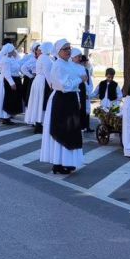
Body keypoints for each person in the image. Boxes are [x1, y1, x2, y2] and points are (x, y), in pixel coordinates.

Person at [40, 39, 85, 174]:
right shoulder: (58, 66)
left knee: (71, 131)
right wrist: (79, 80)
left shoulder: (69, 64)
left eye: (69, 48)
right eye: (65, 49)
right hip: (61, 100)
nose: (68, 51)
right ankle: (58, 163)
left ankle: (68, 162)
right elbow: (64, 86)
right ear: (58, 52)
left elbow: (74, 80)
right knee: (62, 130)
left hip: (70, 99)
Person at [24, 41, 54, 133]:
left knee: (37, 103)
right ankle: (40, 124)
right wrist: (51, 85)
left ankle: (38, 123)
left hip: (38, 81)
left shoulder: (42, 57)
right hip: (43, 81)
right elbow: (47, 73)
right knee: (41, 102)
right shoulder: (46, 58)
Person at [0, 43, 23, 124]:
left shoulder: (13, 58)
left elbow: (19, 64)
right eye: (13, 50)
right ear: (9, 51)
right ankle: (5, 117)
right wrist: (12, 83)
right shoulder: (5, 60)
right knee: (5, 98)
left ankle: (8, 115)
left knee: (11, 99)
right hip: (6, 81)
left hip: (12, 79)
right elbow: (6, 73)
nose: (14, 51)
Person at [20, 42, 40, 106]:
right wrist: (31, 76)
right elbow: (23, 68)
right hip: (32, 79)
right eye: (38, 50)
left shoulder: (43, 59)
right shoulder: (32, 58)